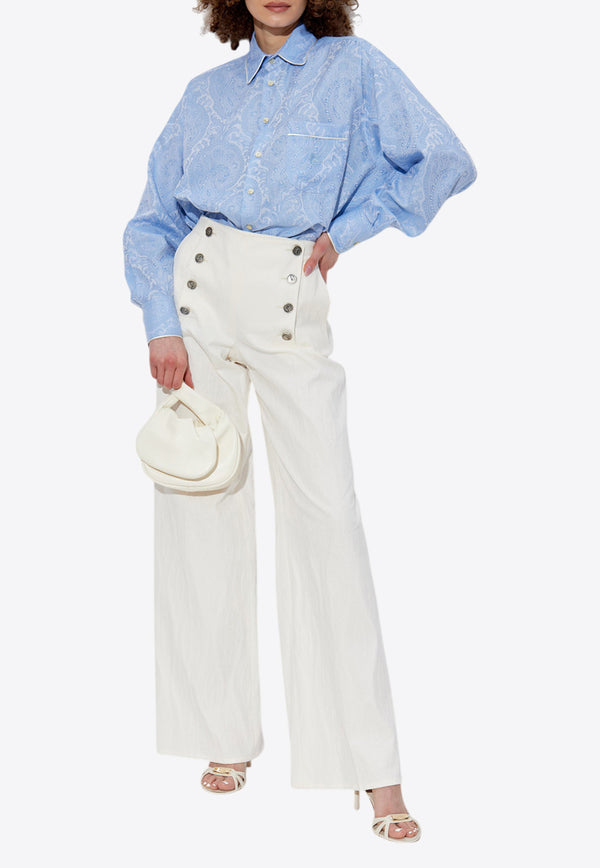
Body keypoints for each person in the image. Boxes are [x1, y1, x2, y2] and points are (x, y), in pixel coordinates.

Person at [122, 0, 476, 843]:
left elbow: (442, 159)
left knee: (327, 522)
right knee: (201, 509)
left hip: (288, 300)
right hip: (198, 300)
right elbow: (152, 220)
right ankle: (221, 733)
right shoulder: (205, 93)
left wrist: (346, 232)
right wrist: (160, 324)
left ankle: (373, 770)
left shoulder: (355, 70)